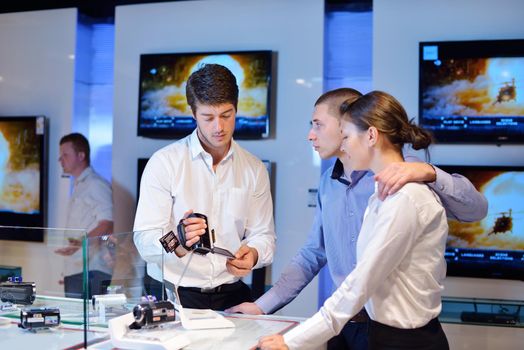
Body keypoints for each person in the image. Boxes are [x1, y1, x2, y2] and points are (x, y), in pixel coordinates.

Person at [229, 88, 487, 349]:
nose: (311, 135)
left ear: (355, 128)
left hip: (392, 329)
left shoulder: (405, 180)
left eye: (319, 125)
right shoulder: (339, 185)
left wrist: (430, 172)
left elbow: (476, 210)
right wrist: (262, 306)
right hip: (346, 323)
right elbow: (313, 253)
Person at [133, 64, 276, 311]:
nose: (218, 127)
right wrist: (176, 241)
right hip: (174, 296)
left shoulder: (254, 169)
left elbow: (264, 236)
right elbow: (144, 239)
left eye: (226, 115)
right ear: (193, 114)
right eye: (208, 118)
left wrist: (253, 254)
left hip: (232, 295)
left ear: (237, 108)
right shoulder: (164, 163)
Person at [55, 133, 114, 298]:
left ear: (81, 156)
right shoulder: (80, 185)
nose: (60, 160)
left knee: (87, 322)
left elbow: (107, 223)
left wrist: (79, 244)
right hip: (78, 269)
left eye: (65, 155)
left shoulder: (95, 184)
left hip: (91, 270)